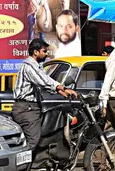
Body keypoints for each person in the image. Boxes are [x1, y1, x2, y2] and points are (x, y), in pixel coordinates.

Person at [12, 38, 77, 170]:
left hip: (32, 108)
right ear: (35, 52)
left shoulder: (35, 66)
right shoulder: (29, 66)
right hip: (27, 109)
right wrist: (62, 87)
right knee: (32, 142)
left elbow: (44, 84)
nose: (46, 54)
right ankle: (19, 167)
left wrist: (61, 92)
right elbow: (43, 80)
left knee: (40, 138)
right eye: (44, 51)